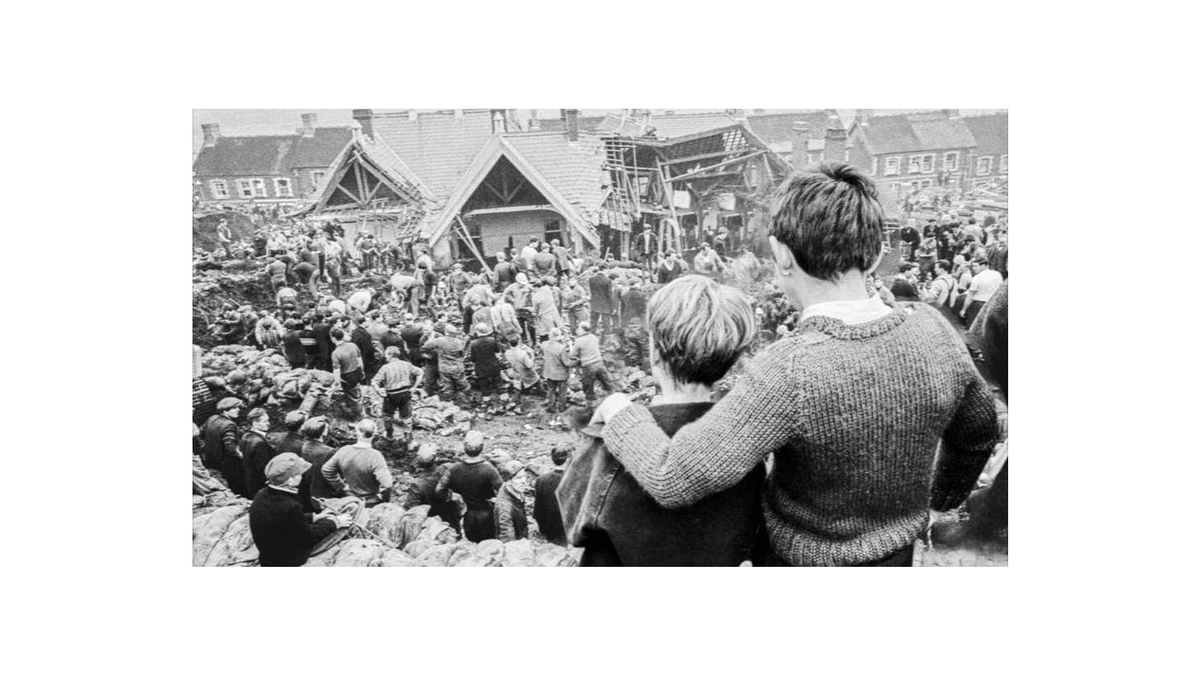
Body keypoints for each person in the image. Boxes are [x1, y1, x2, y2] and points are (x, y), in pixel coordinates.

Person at [590, 162, 1000, 566]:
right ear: (875, 255)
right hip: (898, 552)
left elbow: (672, 478)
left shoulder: (788, 369)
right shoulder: (933, 328)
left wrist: (620, 413)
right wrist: (939, 499)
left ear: (782, 256)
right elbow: (979, 433)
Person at [558, 274, 766, 566]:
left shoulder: (611, 443)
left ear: (655, 352)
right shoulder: (750, 444)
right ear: (727, 363)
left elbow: (571, 523)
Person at [249, 453, 351, 567]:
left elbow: (283, 520)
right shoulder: (290, 506)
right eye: (299, 474)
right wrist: (336, 522)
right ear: (290, 481)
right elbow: (308, 538)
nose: (302, 476)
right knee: (340, 528)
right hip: (288, 559)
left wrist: (314, 517)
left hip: (269, 554)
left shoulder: (261, 494)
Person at [436, 430, 503, 543]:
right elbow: (503, 491)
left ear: (464, 446)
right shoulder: (489, 469)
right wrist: (495, 500)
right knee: (487, 547)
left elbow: (439, 490)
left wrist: (454, 496)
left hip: (464, 515)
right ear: (482, 447)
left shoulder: (454, 468)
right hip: (486, 516)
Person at [321, 419, 394, 507]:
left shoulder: (344, 450)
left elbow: (326, 470)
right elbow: (387, 484)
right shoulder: (375, 456)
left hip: (349, 499)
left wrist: (342, 486)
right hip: (370, 502)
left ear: (357, 432)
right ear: (374, 434)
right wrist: (384, 498)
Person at [404, 444, 462, 534]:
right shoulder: (447, 469)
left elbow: (412, 512)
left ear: (418, 461)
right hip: (453, 523)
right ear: (435, 458)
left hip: (433, 529)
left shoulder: (417, 485)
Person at [371, 346, 424, 443]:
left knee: (387, 416)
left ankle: (389, 436)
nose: (385, 357)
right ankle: (409, 441)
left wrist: (379, 390)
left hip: (391, 395)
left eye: (386, 354)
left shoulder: (385, 368)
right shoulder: (406, 364)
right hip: (405, 394)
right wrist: (414, 387)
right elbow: (420, 372)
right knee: (407, 417)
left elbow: (374, 381)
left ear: (390, 355)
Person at [200, 398, 244, 497]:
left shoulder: (212, 418)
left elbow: (201, 433)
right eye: (234, 408)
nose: (238, 410)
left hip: (211, 459)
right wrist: (241, 455)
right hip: (227, 462)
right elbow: (230, 447)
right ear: (225, 411)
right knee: (236, 483)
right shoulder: (229, 424)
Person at [422, 323, 470, 405]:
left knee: (447, 386)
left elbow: (426, 346)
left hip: (444, 368)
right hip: (457, 367)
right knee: (462, 384)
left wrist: (432, 350)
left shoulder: (440, 340)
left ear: (446, 332)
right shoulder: (458, 342)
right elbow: (462, 354)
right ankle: (467, 400)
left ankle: (449, 403)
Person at [298, 416, 339, 509]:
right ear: (323, 432)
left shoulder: (303, 446)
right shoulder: (329, 451)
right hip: (324, 493)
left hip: (307, 492)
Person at [534, 446, 570, 546]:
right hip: (569, 530)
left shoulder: (542, 480)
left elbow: (538, 510)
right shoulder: (573, 479)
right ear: (567, 460)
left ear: (552, 459)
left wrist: (543, 529)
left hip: (550, 529)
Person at [240, 407, 278, 499]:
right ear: (255, 423)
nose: (268, 424)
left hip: (250, 480)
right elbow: (263, 467)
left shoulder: (245, 436)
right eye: (265, 421)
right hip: (261, 484)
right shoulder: (259, 443)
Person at [570, 322, 612, 404]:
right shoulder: (594, 337)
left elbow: (572, 355)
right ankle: (612, 395)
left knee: (588, 386)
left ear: (582, 330)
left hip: (588, 366)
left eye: (578, 329)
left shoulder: (579, 341)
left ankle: (590, 402)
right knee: (606, 381)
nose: (577, 330)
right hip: (599, 363)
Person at [466, 323, 504, 413]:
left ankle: (486, 403)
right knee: (499, 384)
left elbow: (473, 358)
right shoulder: (492, 340)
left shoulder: (474, 344)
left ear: (478, 331)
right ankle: (504, 402)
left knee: (484, 386)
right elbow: (498, 351)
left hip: (481, 368)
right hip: (493, 366)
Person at [329, 327, 365, 418]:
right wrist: (362, 371)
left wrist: (337, 384)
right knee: (355, 390)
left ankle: (360, 415)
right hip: (357, 372)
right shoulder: (353, 345)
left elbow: (337, 371)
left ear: (333, 338)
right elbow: (360, 360)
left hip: (347, 377)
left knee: (353, 397)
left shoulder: (336, 353)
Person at [960, 256, 1003, 328]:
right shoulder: (997, 274)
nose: (973, 268)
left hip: (978, 305)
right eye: (973, 266)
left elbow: (970, 296)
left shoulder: (977, 277)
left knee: (973, 327)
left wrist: (963, 310)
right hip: (992, 304)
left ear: (983, 266)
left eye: (975, 266)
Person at [541, 327, 571, 422]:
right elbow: (566, 362)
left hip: (549, 372)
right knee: (562, 392)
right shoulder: (561, 348)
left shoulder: (544, 345)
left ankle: (551, 407)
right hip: (561, 374)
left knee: (551, 390)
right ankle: (562, 407)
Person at [494, 460, 529, 542]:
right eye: (518, 478)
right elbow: (507, 538)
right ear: (508, 481)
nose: (524, 481)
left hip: (521, 533)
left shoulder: (515, 488)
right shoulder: (505, 508)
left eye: (524, 476)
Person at [505, 337, 541, 414]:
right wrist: (532, 357)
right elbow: (529, 365)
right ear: (518, 343)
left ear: (509, 344)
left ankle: (516, 402)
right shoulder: (522, 353)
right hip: (526, 373)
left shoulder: (507, 353)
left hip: (516, 373)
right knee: (537, 379)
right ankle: (544, 393)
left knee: (517, 387)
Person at [504, 272, 536, 345]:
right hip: (517, 311)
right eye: (520, 283)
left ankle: (534, 342)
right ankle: (525, 343)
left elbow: (535, 295)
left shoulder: (529, 287)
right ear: (517, 281)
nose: (522, 284)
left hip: (527, 310)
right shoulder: (512, 287)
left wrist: (531, 304)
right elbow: (505, 294)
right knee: (521, 328)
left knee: (531, 327)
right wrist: (512, 300)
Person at [588, 264, 616, 335]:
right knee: (606, 325)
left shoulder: (591, 279)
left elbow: (592, 292)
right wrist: (612, 308)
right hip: (604, 305)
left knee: (593, 324)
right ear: (605, 269)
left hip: (594, 304)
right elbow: (609, 295)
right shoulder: (607, 280)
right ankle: (607, 340)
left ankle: (592, 338)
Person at [531, 277, 562, 342]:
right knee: (556, 331)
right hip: (554, 314)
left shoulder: (536, 296)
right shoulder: (548, 290)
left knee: (545, 334)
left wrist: (536, 315)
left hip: (545, 317)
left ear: (536, 287)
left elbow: (535, 309)